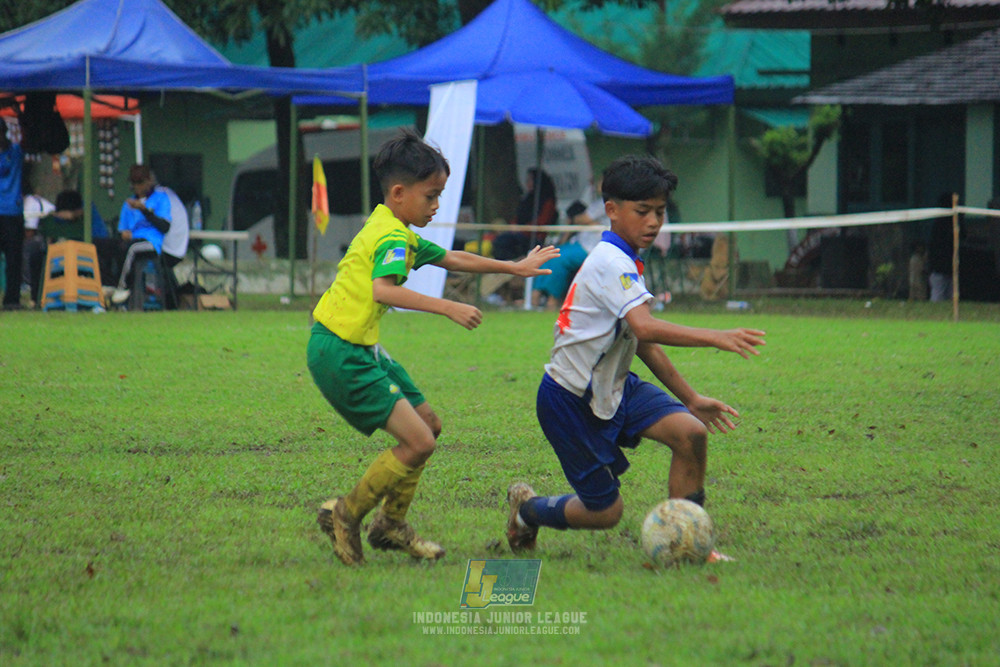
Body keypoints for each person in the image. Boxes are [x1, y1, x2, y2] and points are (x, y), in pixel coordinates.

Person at [308, 129, 559, 566]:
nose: (437, 205)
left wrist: (513, 268)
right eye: (432, 195)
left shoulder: (393, 226)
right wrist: (448, 306)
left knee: (428, 426)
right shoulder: (390, 237)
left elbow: (451, 257)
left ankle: (390, 525)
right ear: (400, 192)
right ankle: (346, 514)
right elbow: (383, 291)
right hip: (340, 351)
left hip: (359, 347)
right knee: (419, 441)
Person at [505, 155, 766, 562]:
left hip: (614, 386)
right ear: (611, 210)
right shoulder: (611, 262)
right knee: (605, 512)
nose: (653, 222)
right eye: (642, 211)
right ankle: (527, 511)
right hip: (569, 399)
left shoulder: (628, 259)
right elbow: (645, 328)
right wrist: (716, 336)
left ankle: (690, 540)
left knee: (691, 432)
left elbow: (638, 340)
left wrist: (691, 398)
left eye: (659, 212)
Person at [108, 165, 173, 304]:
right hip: (132, 239)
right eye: (134, 183)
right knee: (108, 246)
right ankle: (108, 284)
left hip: (151, 242)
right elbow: (122, 229)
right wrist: (123, 234)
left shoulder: (161, 199)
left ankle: (122, 287)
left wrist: (145, 211)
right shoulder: (128, 204)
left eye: (140, 183)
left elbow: (165, 227)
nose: (137, 187)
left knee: (131, 249)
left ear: (149, 181)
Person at [530, 197, 608, 310]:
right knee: (548, 254)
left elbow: (583, 219)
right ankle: (535, 297)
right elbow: (585, 220)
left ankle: (552, 301)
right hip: (580, 242)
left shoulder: (605, 203)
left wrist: (582, 220)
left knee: (558, 259)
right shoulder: (598, 201)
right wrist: (588, 222)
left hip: (591, 247)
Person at [492, 168, 557, 261]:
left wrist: (522, 229)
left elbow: (541, 222)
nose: (527, 183)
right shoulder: (527, 199)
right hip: (520, 232)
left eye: (530, 180)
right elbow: (518, 216)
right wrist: (513, 226)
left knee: (503, 241)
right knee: (499, 239)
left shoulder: (547, 201)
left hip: (533, 235)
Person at [0, 123, 25, 310]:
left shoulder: (16, 151)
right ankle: (11, 300)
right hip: (9, 214)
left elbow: (28, 139)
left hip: (12, 214)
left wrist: (21, 116)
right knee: (12, 259)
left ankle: (12, 300)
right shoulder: (15, 151)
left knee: (14, 260)